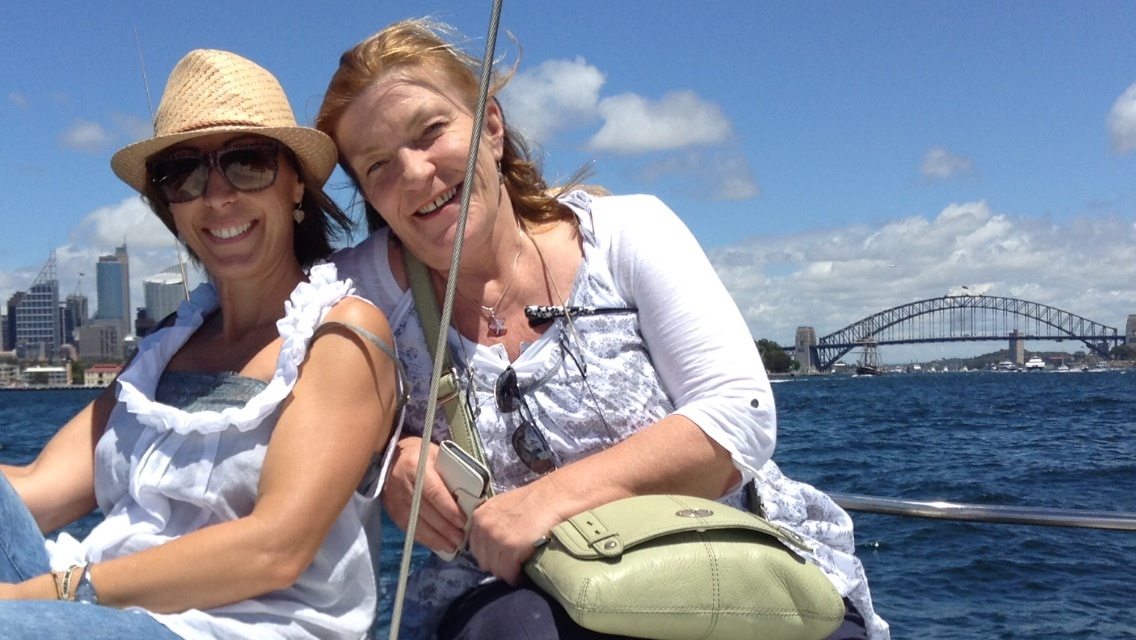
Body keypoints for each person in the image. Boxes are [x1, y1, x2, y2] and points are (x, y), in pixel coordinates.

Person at [319, 19, 888, 640]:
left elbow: (739, 417)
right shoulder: (356, 292)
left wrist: (545, 501)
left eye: (431, 131)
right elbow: (265, 366)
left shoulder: (626, 233)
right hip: (511, 599)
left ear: (491, 127)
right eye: (377, 167)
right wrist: (391, 460)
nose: (414, 173)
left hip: (713, 560)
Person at [0, 49, 405, 639]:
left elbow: (274, 548)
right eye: (184, 174)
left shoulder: (340, 336)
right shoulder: (164, 352)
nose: (216, 196)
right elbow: (34, 489)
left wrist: (39, 596)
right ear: (170, 206)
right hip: (94, 609)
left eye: (246, 162)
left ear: (296, 184)